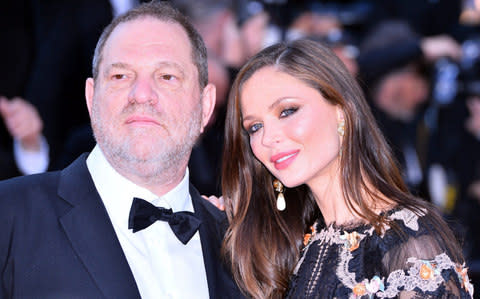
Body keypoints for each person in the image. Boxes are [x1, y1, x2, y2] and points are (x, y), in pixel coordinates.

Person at [0, 2, 244, 298]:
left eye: (167, 76)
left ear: (205, 106)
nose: (141, 94)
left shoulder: (239, 243)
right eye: (120, 76)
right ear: (92, 98)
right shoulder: (9, 214)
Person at [220, 39, 474, 298]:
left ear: (342, 110)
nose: (267, 138)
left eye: (287, 111)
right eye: (254, 126)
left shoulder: (409, 238)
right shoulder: (299, 241)